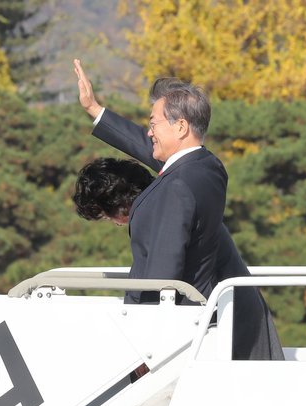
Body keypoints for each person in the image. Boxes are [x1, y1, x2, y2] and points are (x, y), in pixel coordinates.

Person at [74, 158, 283, 361]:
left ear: (119, 205)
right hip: (238, 320)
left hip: (227, 333)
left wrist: (141, 350)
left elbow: (159, 279)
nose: (116, 224)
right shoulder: (168, 199)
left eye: (108, 217)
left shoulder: (163, 208)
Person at [74, 59, 225, 306]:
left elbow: (163, 273)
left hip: (164, 318)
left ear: (181, 127)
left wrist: (144, 319)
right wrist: (94, 108)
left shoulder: (177, 186)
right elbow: (149, 148)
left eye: (153, 124)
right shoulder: (206, 166)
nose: (149, 132)